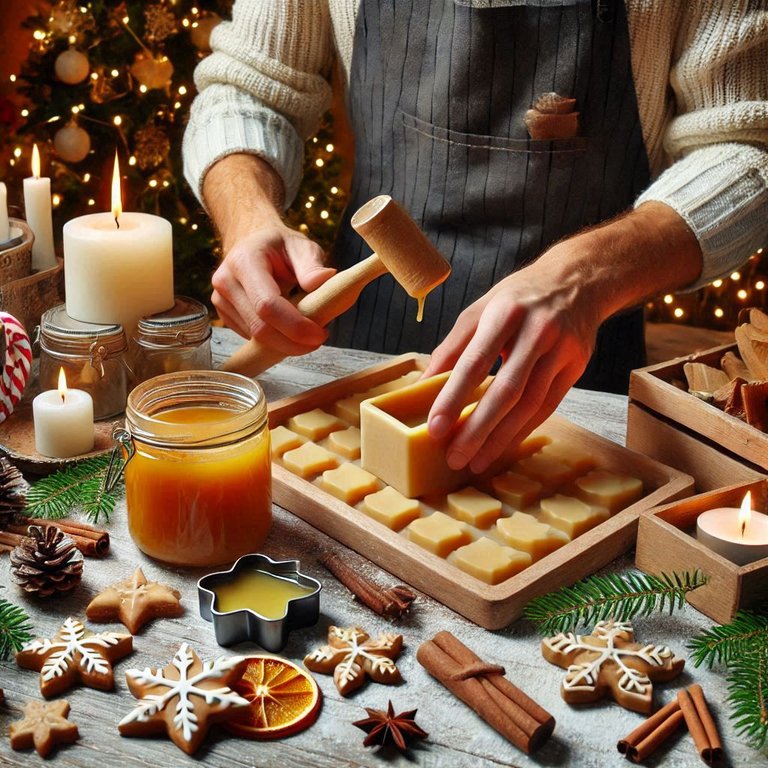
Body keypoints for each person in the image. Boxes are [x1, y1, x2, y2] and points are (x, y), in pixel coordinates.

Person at [184, 1, 768, 474]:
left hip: (584, 393)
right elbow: (249, 88)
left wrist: (587, 273)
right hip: (352, 363)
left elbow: (748, 148)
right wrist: (248, 216)